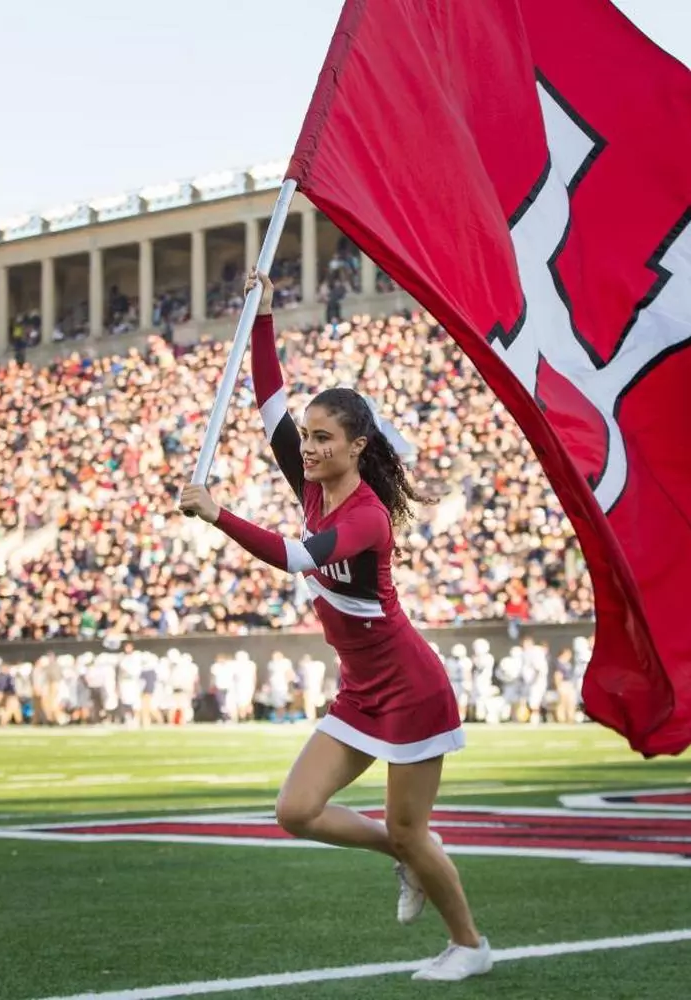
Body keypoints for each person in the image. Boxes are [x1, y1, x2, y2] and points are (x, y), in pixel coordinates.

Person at [176, 269, 490, 982]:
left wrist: (216, 512)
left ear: (356, 448)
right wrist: (260, 314)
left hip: (410, 689)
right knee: (296, 810)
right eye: (307, 438)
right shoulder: (311, 480)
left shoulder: (365, 517)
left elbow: (293, 558)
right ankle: (405, 856)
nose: (308, 447)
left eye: (323, 439)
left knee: (412, 830)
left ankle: (470, 945)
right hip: (360, 688)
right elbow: (268, 401)